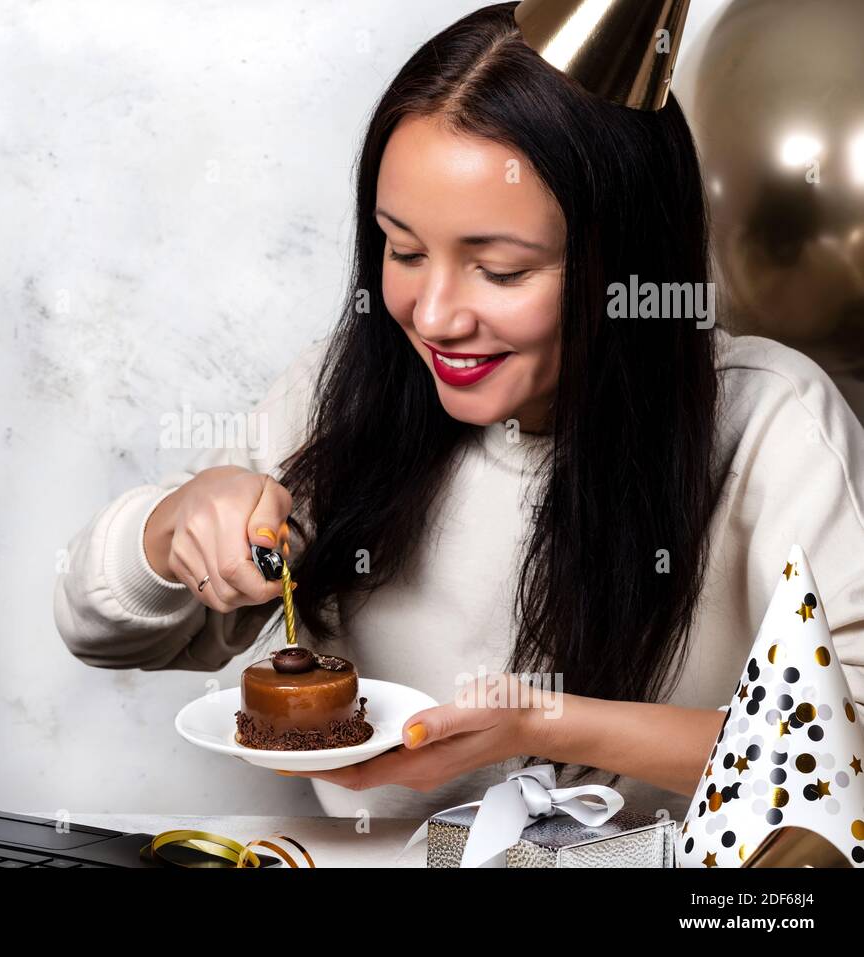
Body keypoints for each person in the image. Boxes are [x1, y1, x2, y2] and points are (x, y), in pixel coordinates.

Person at [52, 2, 864, 821]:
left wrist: (552, 722)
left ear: (624, 268)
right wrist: (174, 525)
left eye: (501, 271)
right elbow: (97, 627)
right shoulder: (346, 397)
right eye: (403, 251)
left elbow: (851, 750)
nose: (435, 315)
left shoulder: (771, 424)